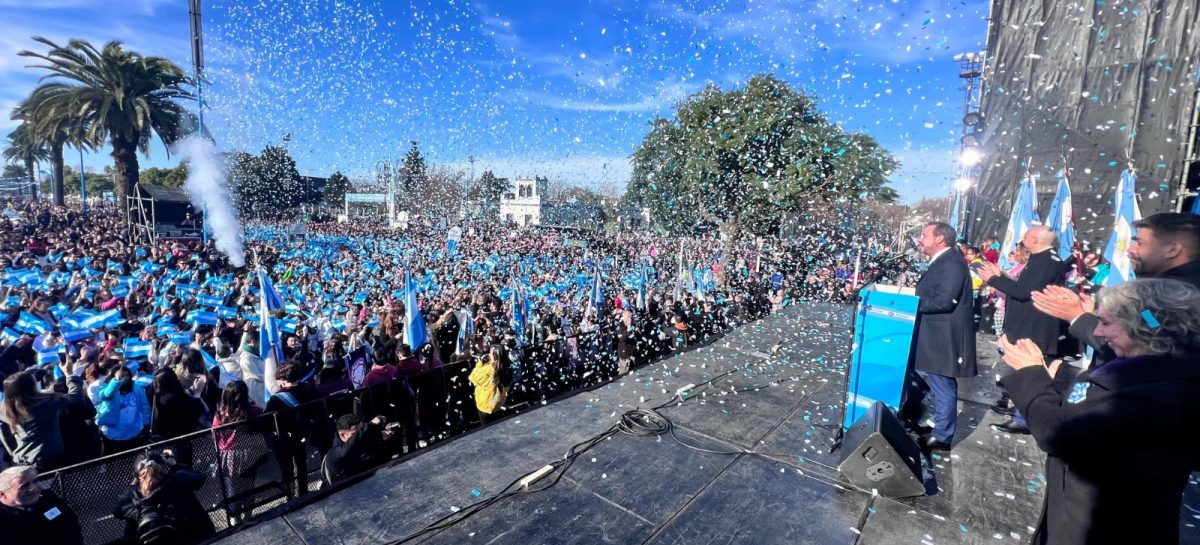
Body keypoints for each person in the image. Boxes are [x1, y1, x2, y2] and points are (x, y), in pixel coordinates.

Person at [998, 278, 1200, 545]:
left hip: (1094, 527)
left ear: (1140, 329)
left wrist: (1031, 375)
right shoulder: (1174, 372)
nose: (1100, 334)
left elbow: (1057, 434)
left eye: (1105, 323)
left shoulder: (1140, 400)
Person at [1032, 213, 1200, 368]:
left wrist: (1078, 317)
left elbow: (1154, 342)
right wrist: (1095, 313)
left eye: (1140, 243)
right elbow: (1151, 326)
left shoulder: (1177, 297)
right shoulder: (1163, 291)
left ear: (1173, 249)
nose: (1130, 249)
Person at [978, 225, 1070, 434]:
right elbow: (1026, 287)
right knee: (1023, 371)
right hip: (1029, 324)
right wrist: (1002, 276)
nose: (1022, 238)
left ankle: (1023, 419)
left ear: (1036, 240)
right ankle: (1018, 409)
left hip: (1034, 328)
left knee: (1030, 372)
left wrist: (993, 279)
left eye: (1027, 236)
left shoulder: (1046, 261)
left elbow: (1022, 292)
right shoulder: (1044, 259)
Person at [909, 222, 977, 451]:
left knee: (942, 385)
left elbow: (943, 301)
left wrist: (912, 303)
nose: (920, 239)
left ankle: (943, 436)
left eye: (924, 235)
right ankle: (930, 423)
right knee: (925, 380)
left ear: (940, 239)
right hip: (934, 336)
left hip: (943, 339)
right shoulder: (945, 260)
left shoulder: (951, 263)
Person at [115, 451, 215, 544]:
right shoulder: (178, 478)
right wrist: (175, 465)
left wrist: (135, 483)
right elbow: (200, 478)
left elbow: (117, 511)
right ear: (162, 467)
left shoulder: (131, 496)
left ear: (138, 475)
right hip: (197, 537)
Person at [0, 367, 82, 470]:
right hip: (49, 461)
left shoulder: (4, 408)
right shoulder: (46, 403)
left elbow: (3, 431)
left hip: (21, 461)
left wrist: (12, 452)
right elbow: (75, 396)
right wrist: (70, 374)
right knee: (55, 486)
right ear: (32, 387)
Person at [0, 466, 83, 543]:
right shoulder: (3, 520)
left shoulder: (47, 498)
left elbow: (71, 522)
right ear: (2, 494)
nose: (33, 488)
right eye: (24, 486)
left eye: (35, 481)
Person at [95, 364, 151, 454]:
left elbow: (144, 407)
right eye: (122, 375)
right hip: (112, 435)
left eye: (127, 375)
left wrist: (146, 424)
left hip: (133, 433)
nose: (125, 378)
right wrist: (117, 381)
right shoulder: (107, 388)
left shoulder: (137, 389)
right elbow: (105, 395)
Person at [322, 414, 387, 484]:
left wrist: (381, 436)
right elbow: (348, 448)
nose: (361, 435)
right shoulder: (333, 454)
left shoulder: (360, 441)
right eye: (355, 434)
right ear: (343, 435)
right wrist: (371, 424)